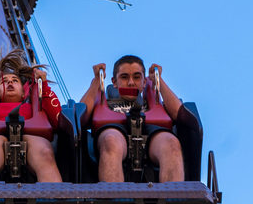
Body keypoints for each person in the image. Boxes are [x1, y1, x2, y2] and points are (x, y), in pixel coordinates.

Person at [0, 48, 62, 182]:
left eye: (15, 80)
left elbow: (57, 120)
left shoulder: (36, 107)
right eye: (4, 81)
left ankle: (54, 199)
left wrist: (44, 86)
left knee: (44, 153)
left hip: (32, 137)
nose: (10, 82)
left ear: (23, 93)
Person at [79, 54, 184, 183]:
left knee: (171, 143)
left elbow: (180, 114)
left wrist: (158, 80)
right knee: (111, 141)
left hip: (150, 134)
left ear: (144, 82)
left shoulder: (154, 103)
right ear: (114, 82)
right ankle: (114, 200)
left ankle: (172, 199)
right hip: (114, 132)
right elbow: (80, 116)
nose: (130, 82)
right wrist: (96, 81)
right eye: (124, 77)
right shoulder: (103, 103)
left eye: (136, 77)